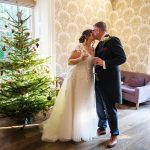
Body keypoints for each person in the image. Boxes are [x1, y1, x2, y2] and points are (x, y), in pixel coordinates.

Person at [41, 29, 98, 142]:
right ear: (87, 35)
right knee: (75, 102)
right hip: (77, 78)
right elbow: (69, 61)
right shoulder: (79, 47)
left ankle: (82, 128)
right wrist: (80, 58)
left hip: (89, 79)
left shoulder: (93, 49)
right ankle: (71, 130)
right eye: (92, 33)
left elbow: (91, 65)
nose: (94, 35)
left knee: (85, 103)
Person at [92, 21, 126, 148]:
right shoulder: (99, 44)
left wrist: (104, 63)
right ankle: (102, 126)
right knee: (100, 107)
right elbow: (98, 60)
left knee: (110, 109)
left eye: (94, 30)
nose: (93, 32)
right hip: (98, 81)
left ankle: (114, 135)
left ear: (100, 30)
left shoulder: (113, 40)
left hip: (110, 82)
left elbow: (122, 58)